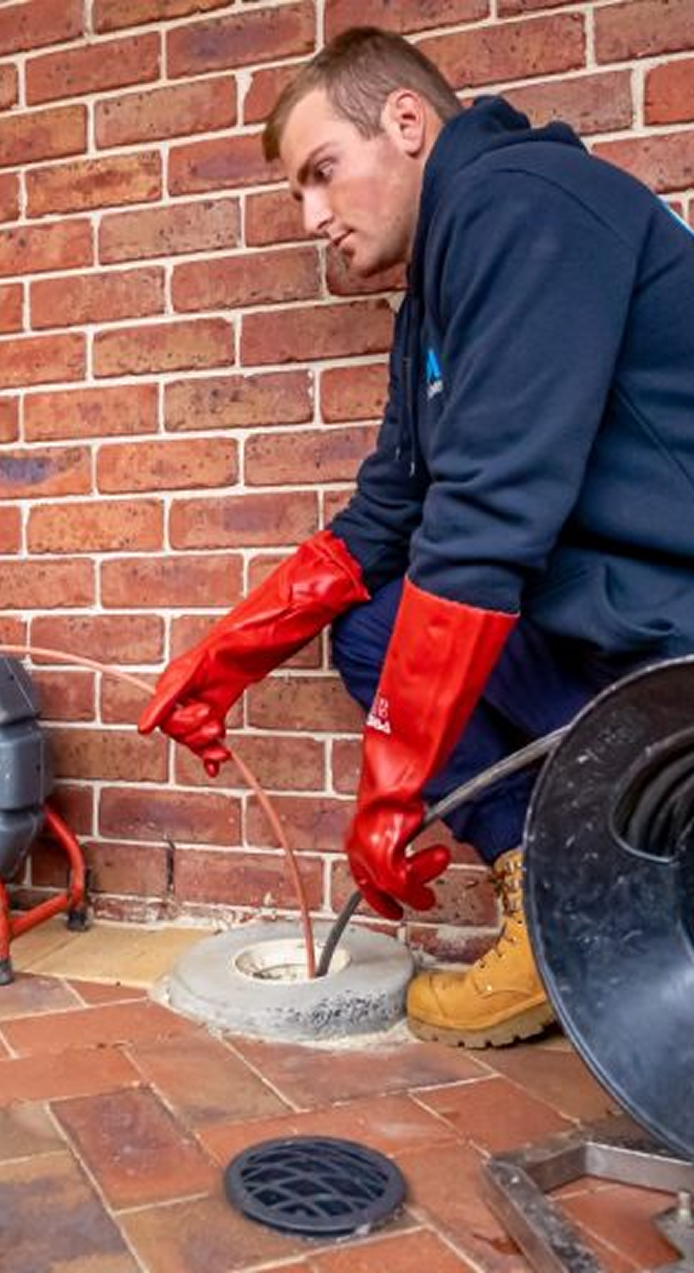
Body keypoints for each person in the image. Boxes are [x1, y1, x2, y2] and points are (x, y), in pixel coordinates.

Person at [138, 27, 694, 1048]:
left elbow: (486, 519)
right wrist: (224, 660)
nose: (311, 217)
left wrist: (390, 789)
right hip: (609, 611)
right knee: (370, 628)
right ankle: (555, 904)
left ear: (404, 123)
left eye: (320, 173)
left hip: (672, 626)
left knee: (427, 607)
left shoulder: (520, 205)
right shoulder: (428, 303)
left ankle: (609, 911)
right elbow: (387, 515)